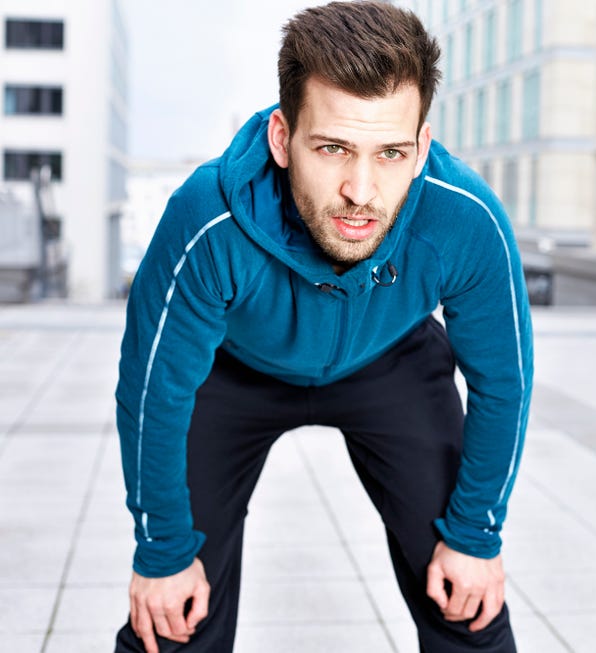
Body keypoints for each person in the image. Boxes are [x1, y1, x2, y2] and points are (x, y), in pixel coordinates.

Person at [113, 3, 533, 651]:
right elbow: (152, 392)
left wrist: (475, 534)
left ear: (422, 146)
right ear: (283, 139)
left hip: (389, 359)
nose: (361, 190)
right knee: (171, 614)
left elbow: (504, 382)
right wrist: (162, 549)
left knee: (466, 596)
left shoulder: (464, 218)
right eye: (333, 148)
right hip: (233, 369)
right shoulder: (207, 219)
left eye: (391, 152)